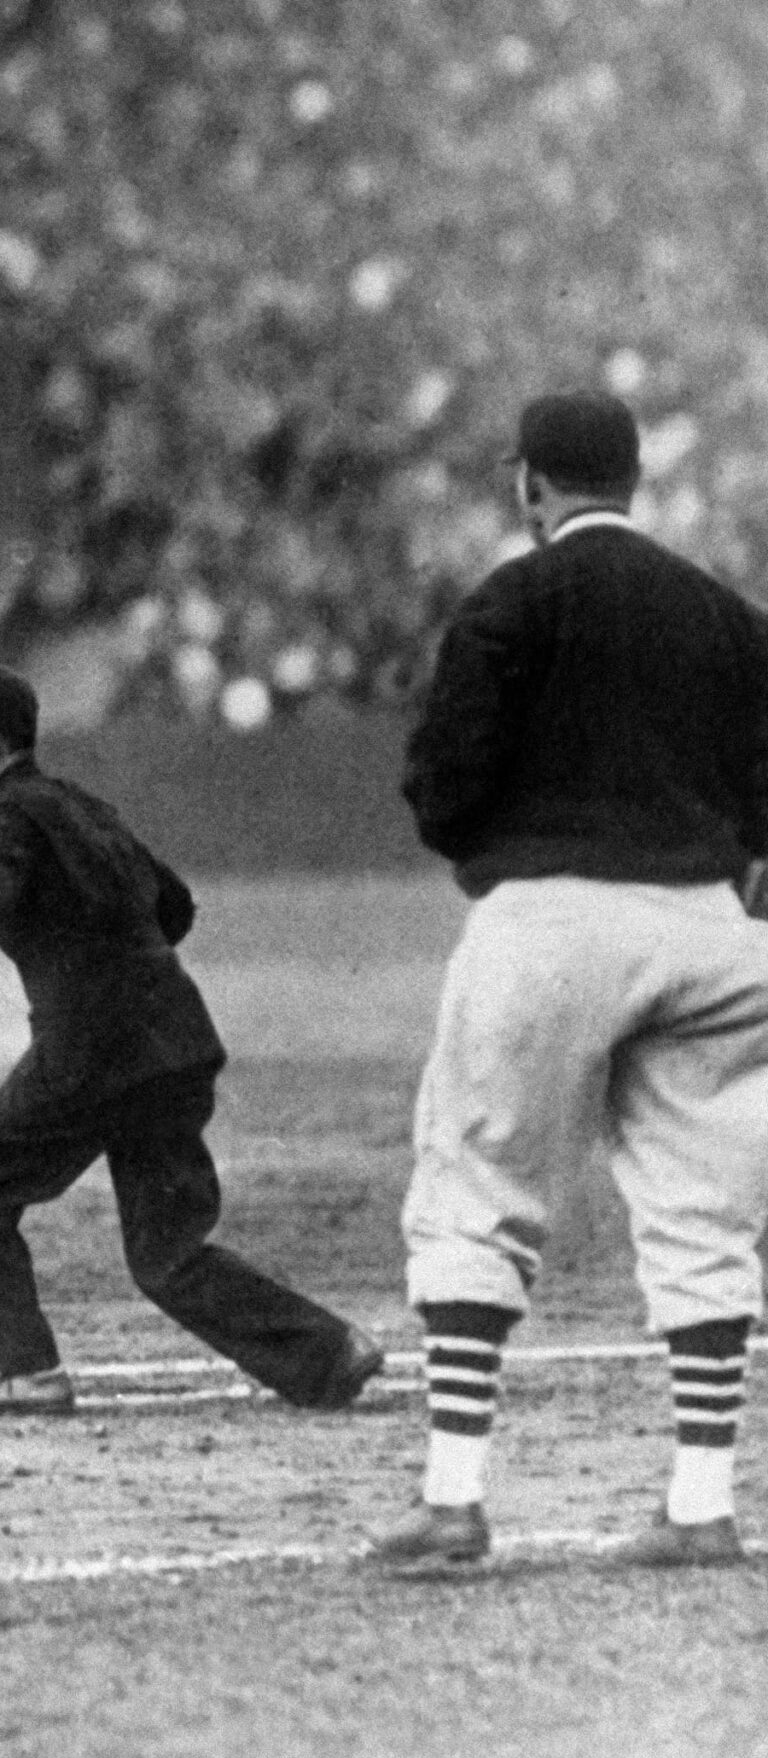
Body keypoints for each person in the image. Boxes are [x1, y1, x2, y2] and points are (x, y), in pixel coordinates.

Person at [371, 389, 768, 1569]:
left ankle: (454, 1495)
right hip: (709, 922)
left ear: (529, 483)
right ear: (634, 479)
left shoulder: (512, 596)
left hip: (547, 912)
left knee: (475, 1181)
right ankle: (701, 1502)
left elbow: (443, 780)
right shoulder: (724, 613)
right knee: (704, 1212)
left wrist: (489, 853)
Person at [0, 664, 384, 1418]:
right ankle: (329, 1352)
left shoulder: (7, 817)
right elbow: (174, 905)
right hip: (174, 1043)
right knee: (168, 1253)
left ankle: (21, 1371)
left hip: (91, 1053)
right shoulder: (83, 806)